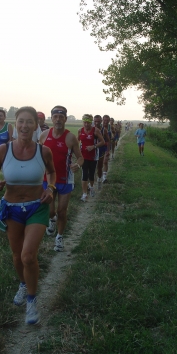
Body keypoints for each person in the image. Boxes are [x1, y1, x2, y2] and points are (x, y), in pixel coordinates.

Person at [0, 106, 56, 325]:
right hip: (12, 209)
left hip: (37, 207)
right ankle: (24, 284)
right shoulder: (3, 150)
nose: (25, 126)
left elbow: (52, 173)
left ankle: (32, 302)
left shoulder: (43, 151)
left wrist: (51, 188)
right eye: (21, 122)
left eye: (29, 122)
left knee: (27, 256)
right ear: (15, 125)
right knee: (17, 257)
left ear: (36, 125)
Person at [39, 105, 84, 252]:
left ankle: (59, 237)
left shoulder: (70, 137)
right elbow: (37, 156)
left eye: (61, 117)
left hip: (65, 179)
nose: (58, 120)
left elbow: (81, 157)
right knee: (51, 211)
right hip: (48, 179)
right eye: (55, 117)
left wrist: (78, 165)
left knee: (62, 211)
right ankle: (51, 220)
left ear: (65, 118)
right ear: (51, 118)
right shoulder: (44, 135)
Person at [78, 114, 105, 201]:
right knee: (84, 174)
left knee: (91, 173)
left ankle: (91, 186)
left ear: (91, 122)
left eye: (88, 123)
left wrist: (93, 146)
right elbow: (77, 141)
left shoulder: (95, 130)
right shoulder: (80, 130)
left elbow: (102, 142)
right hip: (83, 156)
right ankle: (84, 194)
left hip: (93, 156)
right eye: (85, 122)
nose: (86, 124)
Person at [93, 115, 110, 188]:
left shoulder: (104, 130)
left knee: (100, 167)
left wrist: (108, 151)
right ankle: (90, 184)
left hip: (102, 150)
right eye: (95, 121)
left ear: (101, 121)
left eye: (98, 121)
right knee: (92, 167)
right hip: (93, 150)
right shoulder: (91, 129)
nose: (96, 123)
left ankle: (100, 178)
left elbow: (108, 140)